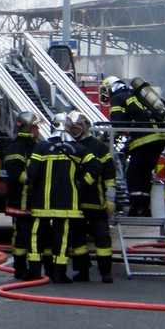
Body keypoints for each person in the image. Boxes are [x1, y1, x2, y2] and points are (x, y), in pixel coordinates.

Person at [25, 112, 87, 283]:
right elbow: (95, 168)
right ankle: (59, 274)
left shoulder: (42, 146)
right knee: (62, 238)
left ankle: (35, 272)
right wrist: (81, 183)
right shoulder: (79, 149)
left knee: (36, 236)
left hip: (42, 202)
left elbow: (31, 172)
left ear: (53, 125)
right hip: (67, 203)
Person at [101, 75, 165, 216]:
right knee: (144, 174)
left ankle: (137, 209)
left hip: (144, 140)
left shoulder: (118, 98)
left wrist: (106, 137)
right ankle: (145, 208)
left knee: (134, 175)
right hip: (159, 139)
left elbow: (117, 124)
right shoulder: (137, 95)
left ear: (111, 87)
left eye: (106, 90)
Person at [68, 111, 116, 283]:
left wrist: (111, 197)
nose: (74, 131)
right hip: (75, 202)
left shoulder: (98, 147)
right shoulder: (67, 145)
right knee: (78, 240)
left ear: (84, 127)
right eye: (72, 128)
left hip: (96, 201)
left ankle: (105, 272)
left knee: (102, 238)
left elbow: (109, 172)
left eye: (77, 128)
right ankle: (82, 271)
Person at [0, 111, 40, 279]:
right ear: (29, 128)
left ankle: (29, 269)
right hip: (21, 200)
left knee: (31, 236)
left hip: (30, 200)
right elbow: (15, 170)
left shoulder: (31, 145)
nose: (38, 130)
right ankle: (21, 268)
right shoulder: (18, 147)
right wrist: (30, 181)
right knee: (23, 236)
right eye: (36, 126)